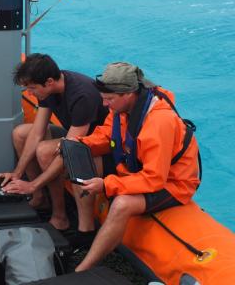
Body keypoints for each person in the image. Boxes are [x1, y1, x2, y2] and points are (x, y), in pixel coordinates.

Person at [73, 62, 200, 271]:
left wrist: (106, 185)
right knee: (86, 156)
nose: (105, 104)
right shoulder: (122, 108)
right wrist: (80, 144)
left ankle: (83, 269)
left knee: (122, 204)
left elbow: (154, 179)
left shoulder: (158, 122)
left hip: (173, 183)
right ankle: (84, 231)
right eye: (103, 99)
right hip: (134, 170)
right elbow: (107, 135)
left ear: (129, 94)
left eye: (109, 99)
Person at [0, 54, 108, 238]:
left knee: (45, 151)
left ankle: (61, 218)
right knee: (21, 133)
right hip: (76, 137)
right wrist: (17, 172)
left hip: (103, 147)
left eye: (31, 88)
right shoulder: (49, 89)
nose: (29, 93)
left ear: (48, 82)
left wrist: (32, 184)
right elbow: (37, 132)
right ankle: (40, 198)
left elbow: (70, 149)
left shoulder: (82, 95)